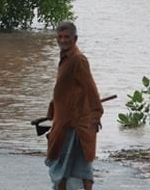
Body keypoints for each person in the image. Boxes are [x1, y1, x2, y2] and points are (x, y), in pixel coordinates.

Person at [45, 21, 104, 190]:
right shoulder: (65, 57)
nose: (63, 40)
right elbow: (64, 90)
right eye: (60, 37)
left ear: (75, 39)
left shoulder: (78, 59)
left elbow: (90, 88)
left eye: (67, 37)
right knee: (79, 166)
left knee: (63, 167)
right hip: (66, 121)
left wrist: (96, 113)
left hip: (73, 124)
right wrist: (52, 112)